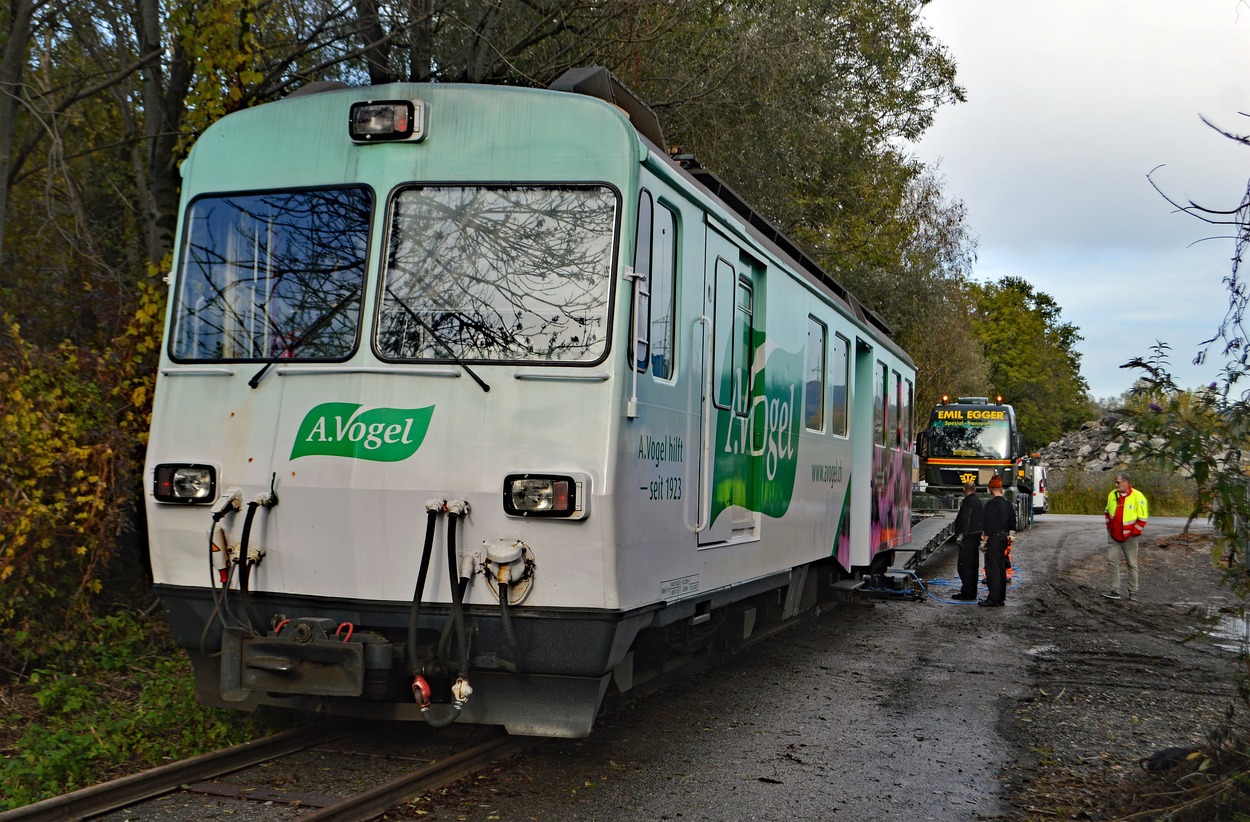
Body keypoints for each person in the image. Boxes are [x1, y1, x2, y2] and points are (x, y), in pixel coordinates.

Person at [1103, 470, 1148, 601]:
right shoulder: (1112, 494)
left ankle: (1133, 592)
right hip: (1114, 535)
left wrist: (1134, 533)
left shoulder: (1138, 496)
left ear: (1126, 482)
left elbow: (1142, 518)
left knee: (1132, 563)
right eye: (1115, 482)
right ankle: (1114, 590)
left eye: (1118, 482)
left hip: (1130, 537)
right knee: (1112, 560)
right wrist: (1109, 528)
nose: (1116, 485)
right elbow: (1107, 512)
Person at [979, 475, 1016, 607]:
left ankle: (993, 598)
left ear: (990, 488)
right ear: (1001, 489)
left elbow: (988, 525)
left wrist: (984, 542)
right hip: (1004, 538)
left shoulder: (990, 505)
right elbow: (1013, 523)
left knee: (992, 569)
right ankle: (1000, 598)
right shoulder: (1008, 504)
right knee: (1001, 568)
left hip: (994, 538)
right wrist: (1009, 537)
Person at [951, 480, 983, 600]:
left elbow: (965, 519)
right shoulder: (978, 501)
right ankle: (972, 591)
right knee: (973, 566)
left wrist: (961, 534)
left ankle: (967, 592)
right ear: (974, 489)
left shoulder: (968, 502)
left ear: (964, 489)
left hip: (968, 539)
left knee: (964, 566)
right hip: (975, 538)